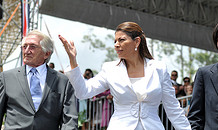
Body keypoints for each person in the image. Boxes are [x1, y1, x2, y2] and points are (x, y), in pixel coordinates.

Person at [59, 22, 191, 130]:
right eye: (115, 40)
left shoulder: (159, 68)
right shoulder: (110, 69)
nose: (116, 44)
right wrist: (73, 60)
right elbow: (83, 92)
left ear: (137, 42)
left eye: (121, 40)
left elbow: (173, 108)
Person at [0, 30, 78, 129]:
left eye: (32, 47)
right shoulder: (6, 78)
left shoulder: (63, 82)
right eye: (24, 46)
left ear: (46, 54)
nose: (27, 51)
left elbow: (69, 121)